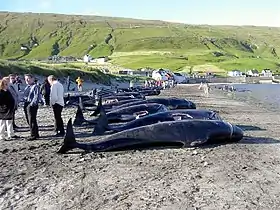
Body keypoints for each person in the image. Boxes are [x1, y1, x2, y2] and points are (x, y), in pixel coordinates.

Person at [23, 74, 41, 140]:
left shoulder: (35, 86)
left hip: (31, 105)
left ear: (32, 79)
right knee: (29, 120)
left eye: (28, 79)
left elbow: (36, 96)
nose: (27, 80)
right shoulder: (28, 87)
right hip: (27, 104)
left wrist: (32, 104)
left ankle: (33, 134)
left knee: (32, 120)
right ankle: (34, 133)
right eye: (25, 79)